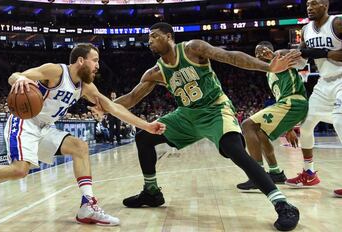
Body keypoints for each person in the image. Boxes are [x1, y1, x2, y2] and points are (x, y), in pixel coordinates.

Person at [92, 22, 301, 231]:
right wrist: (105, 107)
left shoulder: (193, 48)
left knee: (234, 150)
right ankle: (152, 192)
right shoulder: (155, 72)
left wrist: (267, 66)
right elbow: (132, 97)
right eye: (148, 39)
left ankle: (282, 204)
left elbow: (230, 56)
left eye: (154, 36)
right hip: (187, 115)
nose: (150, 41)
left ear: (169, 36)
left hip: (215, 109)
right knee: (144, 138)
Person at [0, 43, 166, 226]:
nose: (97, 66)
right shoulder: (56, 71)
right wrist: (21, 79)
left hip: (45, 128)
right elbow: (15, 76)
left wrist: (146, 125)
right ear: (81, 60)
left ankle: (88, 206)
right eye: (95, 61)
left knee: (80, 147)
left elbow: (114, 107)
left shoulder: (86, 87)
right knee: (19, 170)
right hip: (24, 122)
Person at [284, 0, 342, 196]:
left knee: (340, 122)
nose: (309, 7)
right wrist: (287, 58)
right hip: (324, 83)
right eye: (308, 3)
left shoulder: (337, 23)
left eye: (315, 3)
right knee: (306, 124)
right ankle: (309, 173)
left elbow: (325, 53)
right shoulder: (306, 29)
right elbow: (302, 59)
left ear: (325, 5)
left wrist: (325, 53)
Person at [236, 41, 309, 191]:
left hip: (294, 101)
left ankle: (257, 176)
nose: (258, 55)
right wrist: (289, 130)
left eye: (261, 51)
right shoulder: (269, 72)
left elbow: (291, 53)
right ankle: (275, 173)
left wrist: (275, 54)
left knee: (247, 125)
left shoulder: (280, 57)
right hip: (288, 105)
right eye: (256, 54)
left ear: (268, 50)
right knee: (260, 133)